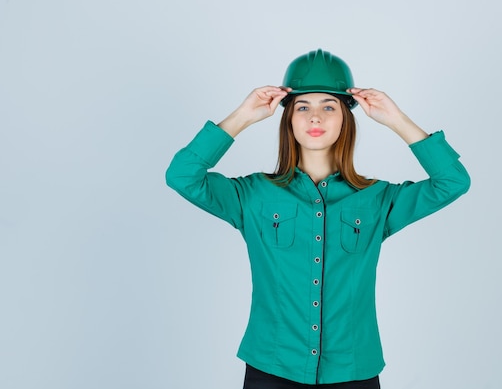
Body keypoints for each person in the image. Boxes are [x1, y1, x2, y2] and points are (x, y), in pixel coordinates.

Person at [166, 49, 470, 388]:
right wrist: (241, 117)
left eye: (329, 106)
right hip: (272, 368)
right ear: (288, 119)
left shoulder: (378, 199)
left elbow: (453, 182)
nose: (315, 118)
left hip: (353, 372)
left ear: (345, 118)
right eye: (303, 107)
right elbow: (182, 175)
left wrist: (397, 120)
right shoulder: (251, 196)